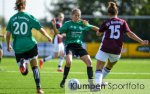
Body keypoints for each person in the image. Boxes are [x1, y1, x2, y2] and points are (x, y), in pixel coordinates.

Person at [95, 1, 149, 90]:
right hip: (116, 50)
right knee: (109, 65)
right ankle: (100, 82)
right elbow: (130, 34)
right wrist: (141, 41)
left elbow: (98, 34)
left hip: (105, 47)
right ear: (117, 12)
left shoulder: (106, 22)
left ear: (108, 13)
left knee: (99, 67)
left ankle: (97, 85)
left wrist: (98, 31)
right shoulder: (122, 22)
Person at [6, 0, 52, 93]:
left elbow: (7, 34)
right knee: (35, 66)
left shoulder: (12, 19)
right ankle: (38, 89)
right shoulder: (28, 16)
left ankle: (23, 64)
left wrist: (8, 45)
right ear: (24, 5)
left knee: (24, 72)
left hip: (18, 47)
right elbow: (40, 28)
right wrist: (48, 36)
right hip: (30, 45)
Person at [51, 8, 99, 88]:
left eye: (79, 15)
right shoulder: (67, 24)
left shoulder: (82, 23)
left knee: (89, 62)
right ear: (72, 16)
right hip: (70, 46)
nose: (77, 17)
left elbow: (94, 28)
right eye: (75, 15)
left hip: (79, 47)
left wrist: (100, 30)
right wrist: (53, 25)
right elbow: (57, 32)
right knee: (69, 62)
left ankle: (91, 83)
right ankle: (64, 79)